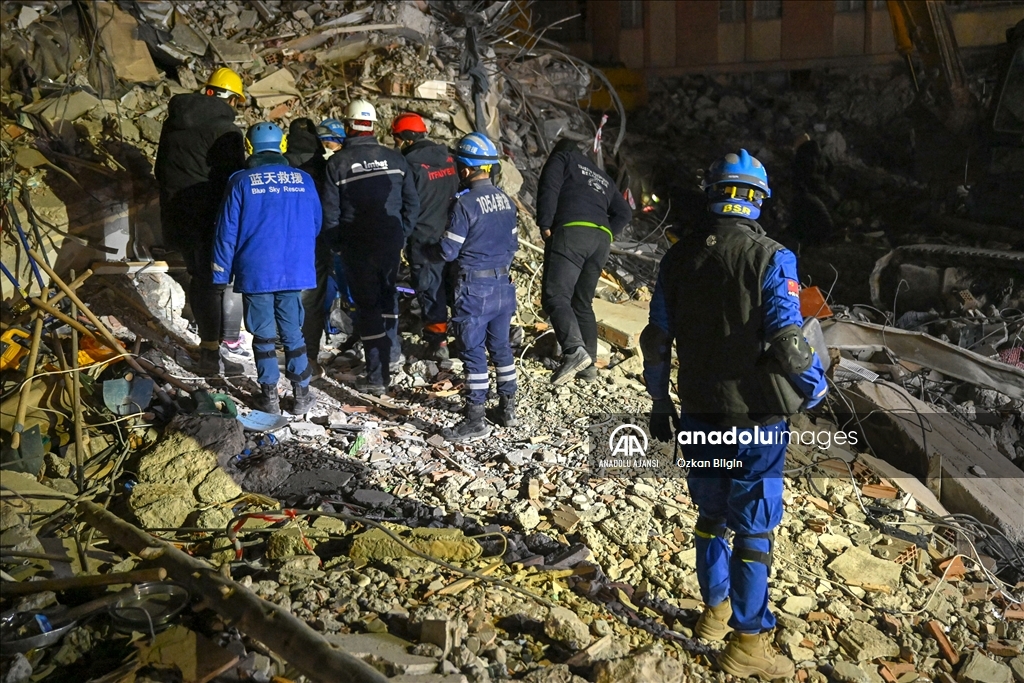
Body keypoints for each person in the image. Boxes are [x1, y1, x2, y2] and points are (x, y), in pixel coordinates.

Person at [641, 150, 828, 680]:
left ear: (714, 192)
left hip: (698, 411)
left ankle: (714, 614)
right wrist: (814, 391)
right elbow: (789, 341)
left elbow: (656, 340)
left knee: (711, 518)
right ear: (757, 198)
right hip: (755, 417)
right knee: (753, 530)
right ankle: (746, 644)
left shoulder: (676, 258)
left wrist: (659, 402)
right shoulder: (772, 257)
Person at [212, 122, 322, 415]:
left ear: (249, 148)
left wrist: (220, 274)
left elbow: (226, 232)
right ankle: (301, 396)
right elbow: (316, 223)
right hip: (293, 269)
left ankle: (270, 397)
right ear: (282, 146)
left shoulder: (241, 181)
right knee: (292, 330)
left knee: (262, 333)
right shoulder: (303, 179)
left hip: (256, 269)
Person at [321, 99, 419, 394]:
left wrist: (337, 245)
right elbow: (412, 204)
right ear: (373, 126)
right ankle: (390, 356)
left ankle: (377, 376)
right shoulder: (395, 159)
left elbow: (330, 213)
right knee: (387, 297)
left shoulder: (336, 163)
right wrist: (401, 234)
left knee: (367, 306)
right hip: (389, 239)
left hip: (357, 243)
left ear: (348, 125)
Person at [155, 67, 247, 375]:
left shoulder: (174, 120)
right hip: (210, 218)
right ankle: (210, 356)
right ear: (232, 99)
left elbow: (160, 167)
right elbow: (232, 182)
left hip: (178, 215)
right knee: (213, 283)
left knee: (198, 277)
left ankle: (210, 350)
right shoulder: (226, 131)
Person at [436, 133, 519, 440]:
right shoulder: (506, 201)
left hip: (474, 291)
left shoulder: (465, 204)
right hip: (503, 287)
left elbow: (449, 251)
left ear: (466, 169)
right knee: (501, 348)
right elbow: (513, 245)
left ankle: (475, 419)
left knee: (473, 354)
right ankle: (507, 409)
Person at [537, 138, 632, 384]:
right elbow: (625, 213)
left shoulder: (562, 158)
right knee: (582, 302)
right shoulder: (602, 176)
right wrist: (606, 231)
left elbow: (550, 187)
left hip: (572, 232)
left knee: (556, 297)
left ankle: (573, 351)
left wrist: (545, 223)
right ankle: (588, 367)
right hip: (600, 241)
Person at [391, 112, 460, 361]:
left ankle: (438, 343)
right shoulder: (449, 158)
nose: (395, 144)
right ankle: (464, 338)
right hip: (455, 234)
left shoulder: (408, 166)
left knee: (431, 290)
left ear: (407, 138)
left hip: (424, 238)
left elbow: (405, 205)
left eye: (396, 138)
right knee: (456, 286)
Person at [284, 118, 333, 378]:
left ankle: (277, 354)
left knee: (280, 297)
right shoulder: (325, 168)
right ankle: (308, 357)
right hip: (315, 243)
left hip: (280, 242)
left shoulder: (277, 168)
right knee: (312, 301)